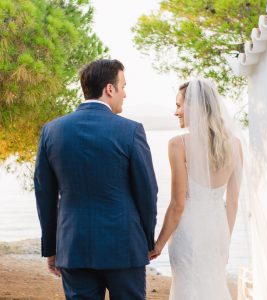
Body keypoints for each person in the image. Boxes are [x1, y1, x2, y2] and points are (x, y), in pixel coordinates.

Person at [34, 59, 158, 300]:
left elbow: (44, 195)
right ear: (109, 89)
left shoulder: (52, 130)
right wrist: (147, 240)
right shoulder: (131, 131)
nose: (125, 93)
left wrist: (52, 247)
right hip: (125, 247)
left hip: (73, 247)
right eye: (123, 85)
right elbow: (147, 191)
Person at [150, 78, 244, 299]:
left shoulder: (178, 144)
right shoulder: (236, 145)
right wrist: (226, 241)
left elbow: (178, 204)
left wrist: (158, 244)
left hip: (189, 233)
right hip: (218, 232)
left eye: (179, 105)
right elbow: (232, 203)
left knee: (187, 289)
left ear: (195, 107)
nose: (176, 112)